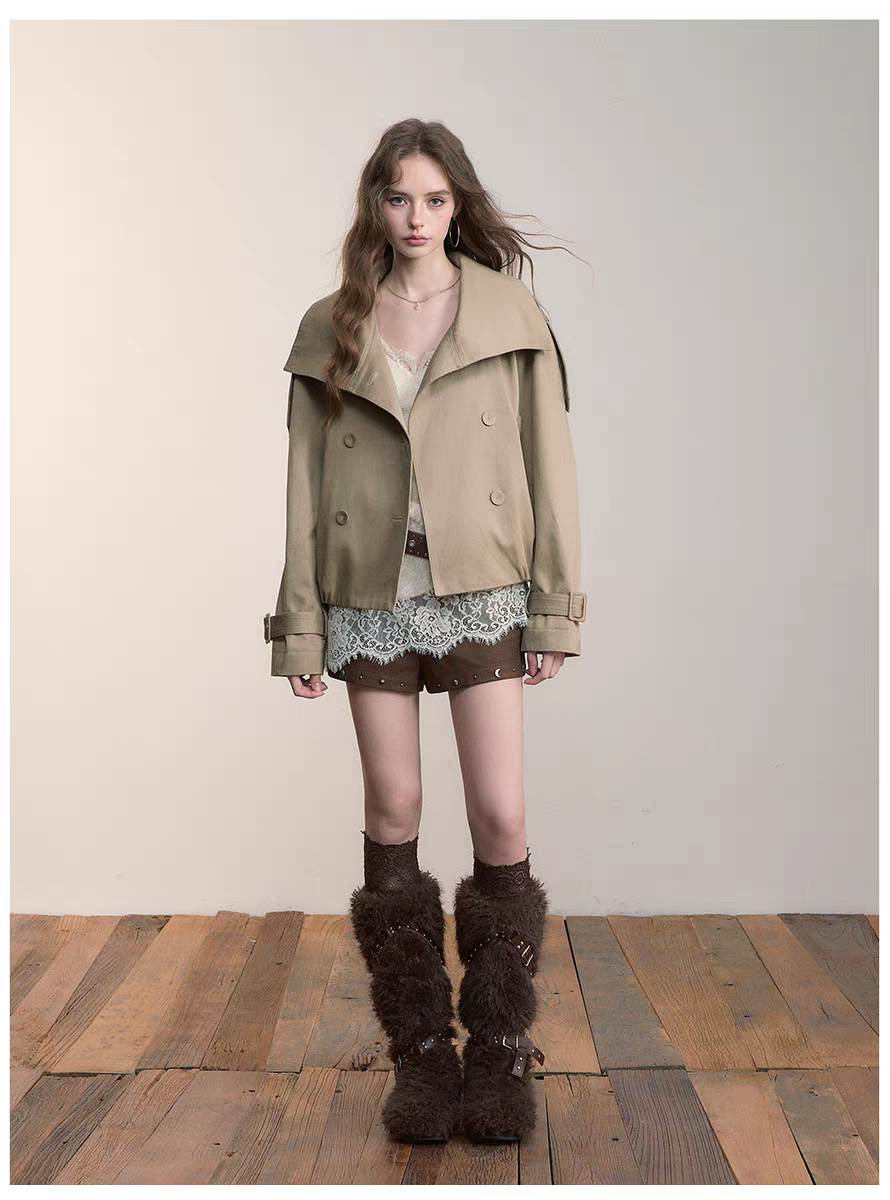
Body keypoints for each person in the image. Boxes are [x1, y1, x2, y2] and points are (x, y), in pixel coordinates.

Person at [264, 118, 587, 1144]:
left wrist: (553, 605)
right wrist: (302, 626)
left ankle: (499, 1049)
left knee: (500, 813)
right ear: (376, 204)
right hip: (369, 595)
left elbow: (550, 468)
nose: (417, 218)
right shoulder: (332, 325)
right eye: (399, 197)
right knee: (393, 805)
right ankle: (420, 1054)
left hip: (482, 588)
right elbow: (304, 484)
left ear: (458, 205)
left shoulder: (506, 314)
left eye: (435, 199)